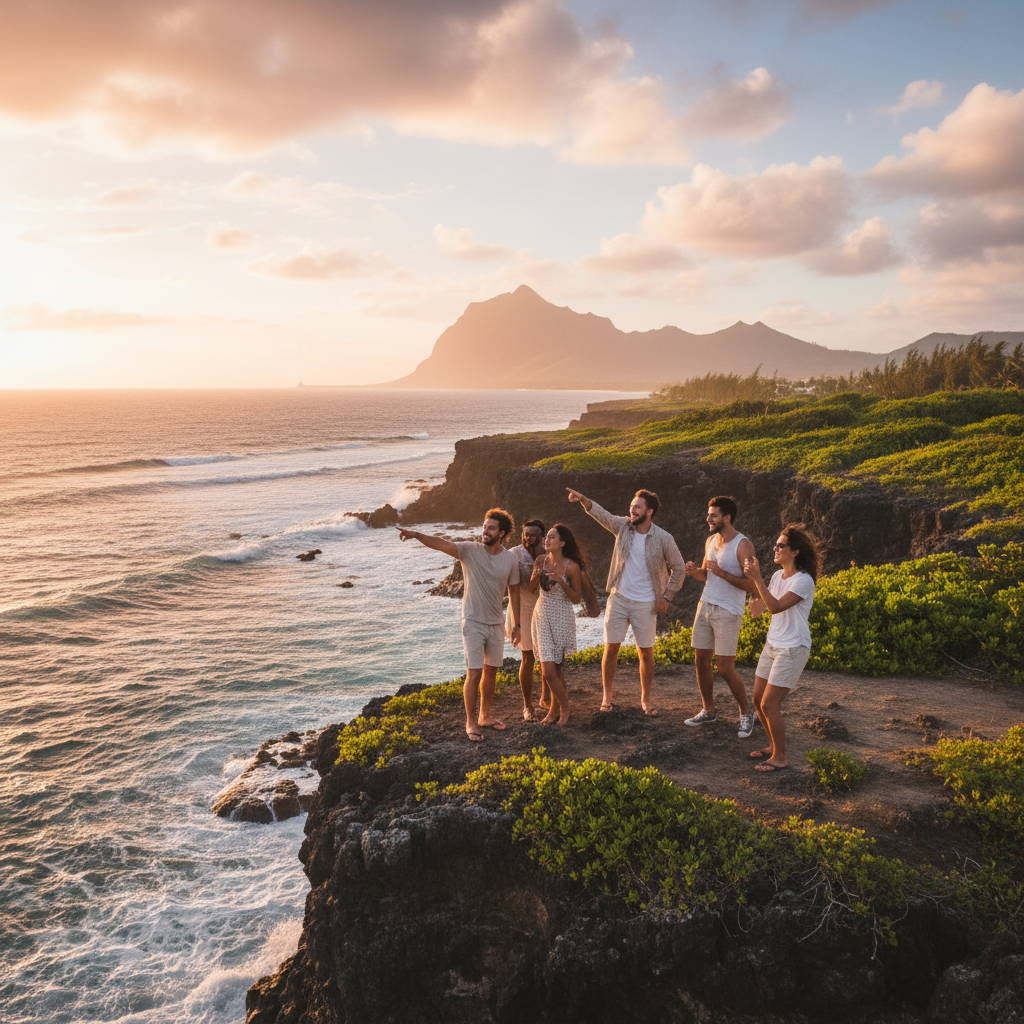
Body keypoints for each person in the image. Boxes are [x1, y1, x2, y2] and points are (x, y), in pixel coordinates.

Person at [397, 509, 521, 742]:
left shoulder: (510, 559)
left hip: (496, 622)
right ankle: (471, 722)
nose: (485, 530)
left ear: (501, 533)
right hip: (472, 621)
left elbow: (514, 592)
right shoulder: (469, 550)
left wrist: (517, 624)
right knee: (474, 674)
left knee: (491, 672)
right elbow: (441, 543)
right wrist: (415, 534)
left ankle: (485, 716)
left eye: (491, 528)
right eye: (484, 526)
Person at [566, 487, 686, 715]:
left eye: (637, 506)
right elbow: (603, 515)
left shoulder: (663, 538)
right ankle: (607, 697)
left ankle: (646, 700)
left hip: (646, 603)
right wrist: (584, 499)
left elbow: (679, 568)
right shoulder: (623, 526)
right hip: (618, 598)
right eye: (632, 506)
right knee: (611, 648)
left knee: (646, 652)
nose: (632, 509)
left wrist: (666, 596)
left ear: (649, 512)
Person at [743, 525, 819, 772]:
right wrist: (756, 604)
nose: (774, 548)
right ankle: (772, 747)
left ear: (795, 551)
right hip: (773, 644)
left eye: (780, 545)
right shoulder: (777, 577)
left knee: (768, 705)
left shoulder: (804, 581)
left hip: (793, 647)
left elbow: (776, 607)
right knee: (757, 699)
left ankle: (781, 757)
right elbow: (765, 606)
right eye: (775, 544)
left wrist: (756, 578)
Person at [682, 496, 757, 737]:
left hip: (728, 611)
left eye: (713, 515)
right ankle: (709, 711)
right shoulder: (710, 540)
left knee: (724, 667)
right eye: (709, 514)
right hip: (705, 605)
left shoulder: (743, 545)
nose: (709, 519)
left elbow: (753, 584)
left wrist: (723, 573)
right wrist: (695, 572)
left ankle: (747, 713)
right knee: (701, 660)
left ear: (727, 518)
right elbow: (707, 574)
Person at [528, 524, 584, 726]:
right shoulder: (541, 560)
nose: (547, 540)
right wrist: (535, 576)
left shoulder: (572, 567)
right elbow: (532, 588)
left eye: (552, 537)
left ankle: (554, 711)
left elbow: (577, 599)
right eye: (547, 537)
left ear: (562, 542)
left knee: (558, 669)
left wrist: (561, 581)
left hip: (561, 617)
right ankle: (566, 708)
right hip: (542, 615)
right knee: (547, 671)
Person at [505, 518, 545, 721]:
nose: (528, 537)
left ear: (542, 535)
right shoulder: (514, 554)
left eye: (533, 534)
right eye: (525, 534)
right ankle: (527, 706)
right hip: (523, 608)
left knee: (548, 656)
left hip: (545, 607)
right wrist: (516, 623)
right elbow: (509, 586)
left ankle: (546, 698)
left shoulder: (549, 551)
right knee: (528, 657)